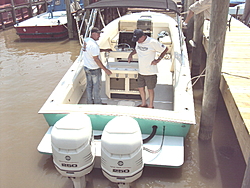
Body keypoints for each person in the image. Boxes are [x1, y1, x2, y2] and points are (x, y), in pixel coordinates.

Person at [128, 29, 168, 109]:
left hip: (150, 71)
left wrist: (158, 59)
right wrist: (131, 54)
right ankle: (143, 104)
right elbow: (137, 49)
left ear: (143, 36)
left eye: (138, 39)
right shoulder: (138, 42)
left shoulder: (152, 42)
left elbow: (165, 49)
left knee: (150, 89)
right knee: (140, 87)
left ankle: (150, 105)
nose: (137, 41)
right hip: (141, 70)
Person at [80, 27, 112, 104]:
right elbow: (96, 59)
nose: (99, 36)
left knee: (89, 86)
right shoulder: (93, 45)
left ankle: (89, 102)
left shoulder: (86, 41)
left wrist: (104, 50)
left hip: (87, 67)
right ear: (93, 34)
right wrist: (106, 70)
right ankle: (98, 102)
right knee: (97, 87)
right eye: (98, 34)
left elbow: (92, 51)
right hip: (94, 69)